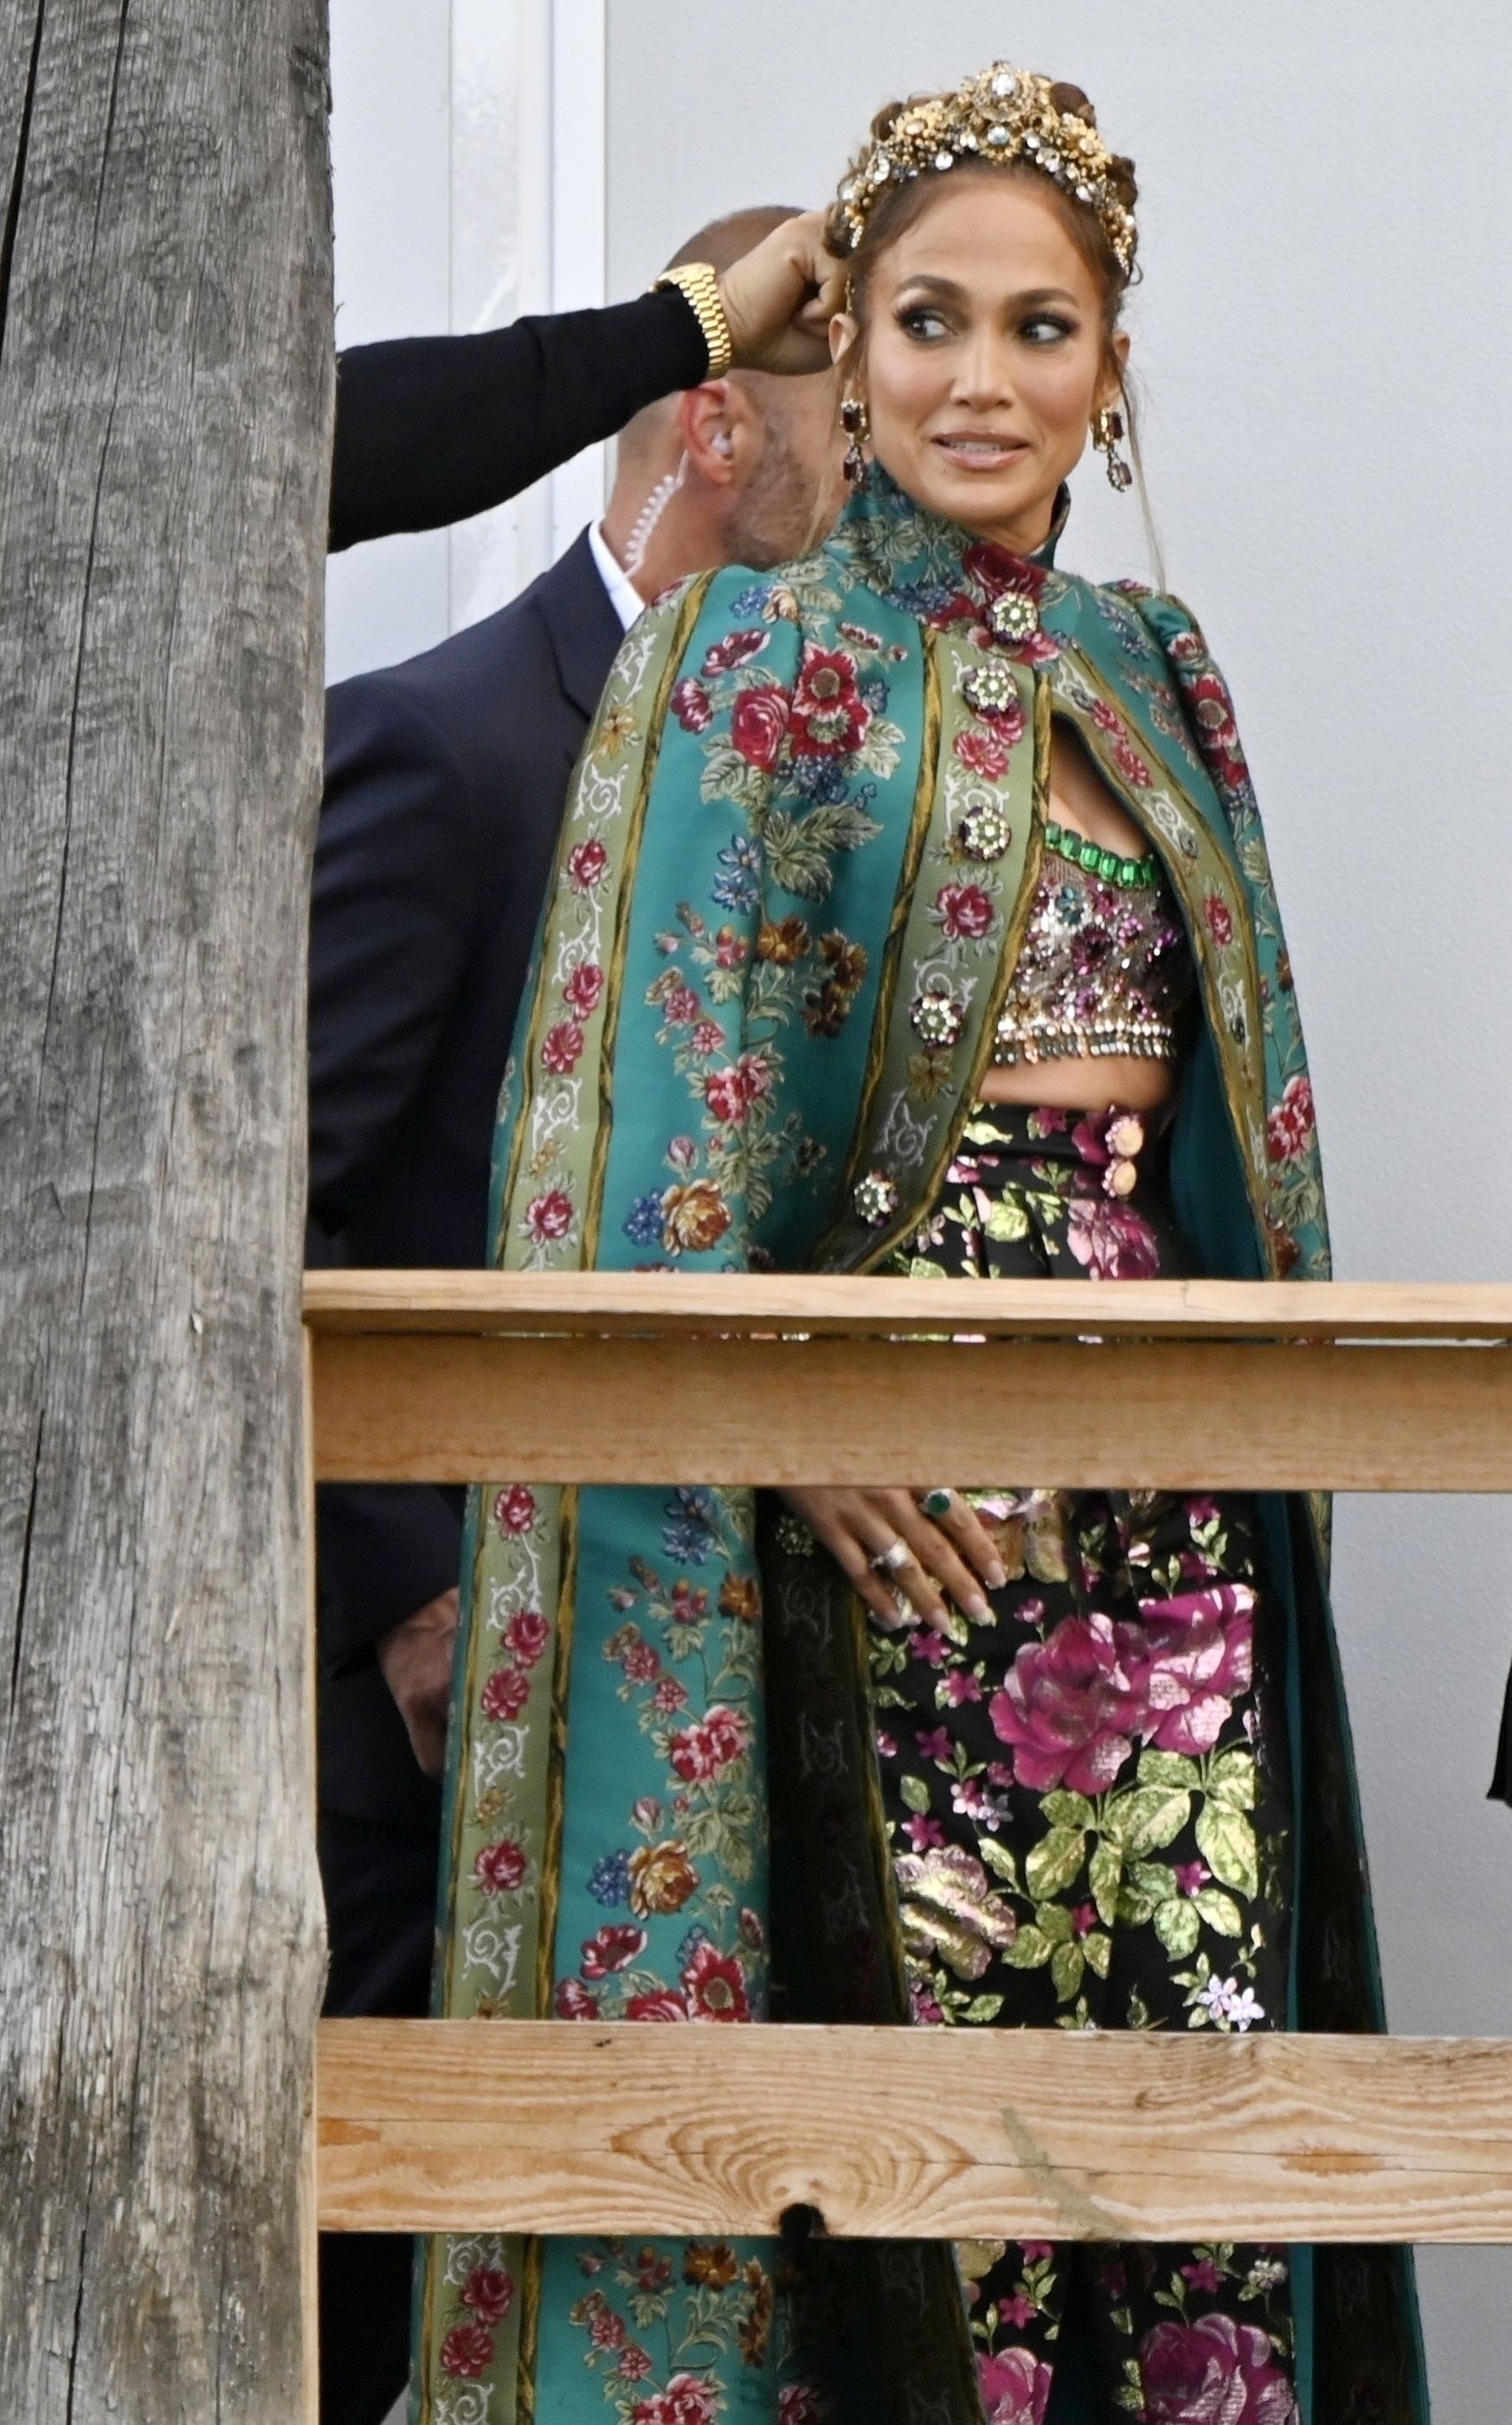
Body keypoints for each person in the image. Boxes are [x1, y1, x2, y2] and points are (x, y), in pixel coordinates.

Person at [414, 62, 1429, 2425]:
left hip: (1166, 1494)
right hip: (894, 1502)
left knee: (1184, 2091)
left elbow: (1235, 1139)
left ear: (1108, 367)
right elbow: (656, 1120)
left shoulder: (1162, 672)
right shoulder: (741, 668)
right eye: (928, 320)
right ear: (845, 357)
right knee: (944, 2124)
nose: (984, 376)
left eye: (1041, 326)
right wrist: (790, 1415)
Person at [310, 203, 846, 2425]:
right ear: (718, 429)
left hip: (688, 1683)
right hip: (406, 1727)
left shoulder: (832, 797)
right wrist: (419, 1594)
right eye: (854, 450)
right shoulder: (444, 748)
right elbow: (283, 1233)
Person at [328, 209, 844, 550]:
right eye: (853, 419)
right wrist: (711, 320)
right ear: (718, 434)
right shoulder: (413, 718)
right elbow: (317, 449)